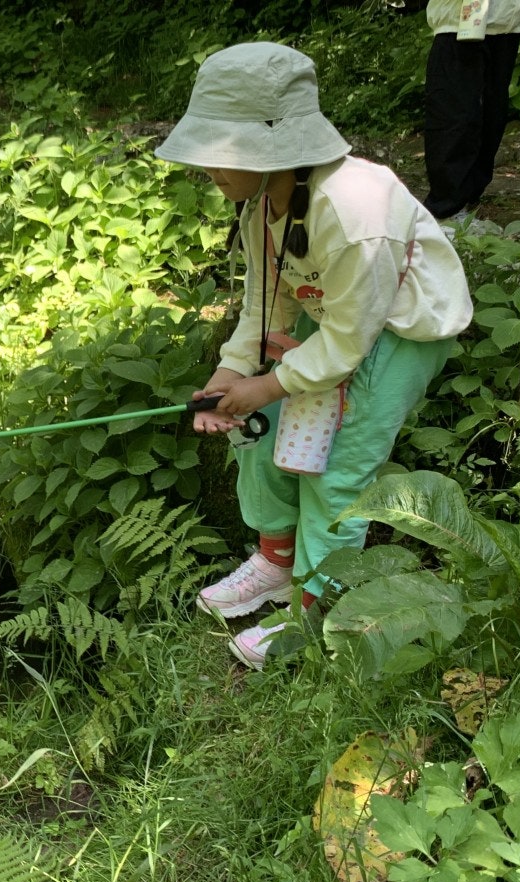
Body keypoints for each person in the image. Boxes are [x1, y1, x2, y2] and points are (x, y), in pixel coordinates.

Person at [153, 42, 473, 670]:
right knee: (257, 429)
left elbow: (353, 341)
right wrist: (231, 375)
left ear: (273, 151)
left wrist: (271, 384)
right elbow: (265, 306)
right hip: (341, 323)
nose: (208, 170)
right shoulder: (261, 203)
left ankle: (315, 609)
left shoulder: (354, 212)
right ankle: (276, 561)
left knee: (336, 470)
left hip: (400, 332)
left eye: (220, 153)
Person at [423, 0, 520, 221]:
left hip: (509, 19)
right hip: (459, 20)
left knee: (492, 114)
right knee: (456, 114)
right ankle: (446, 210)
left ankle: (467, 202)